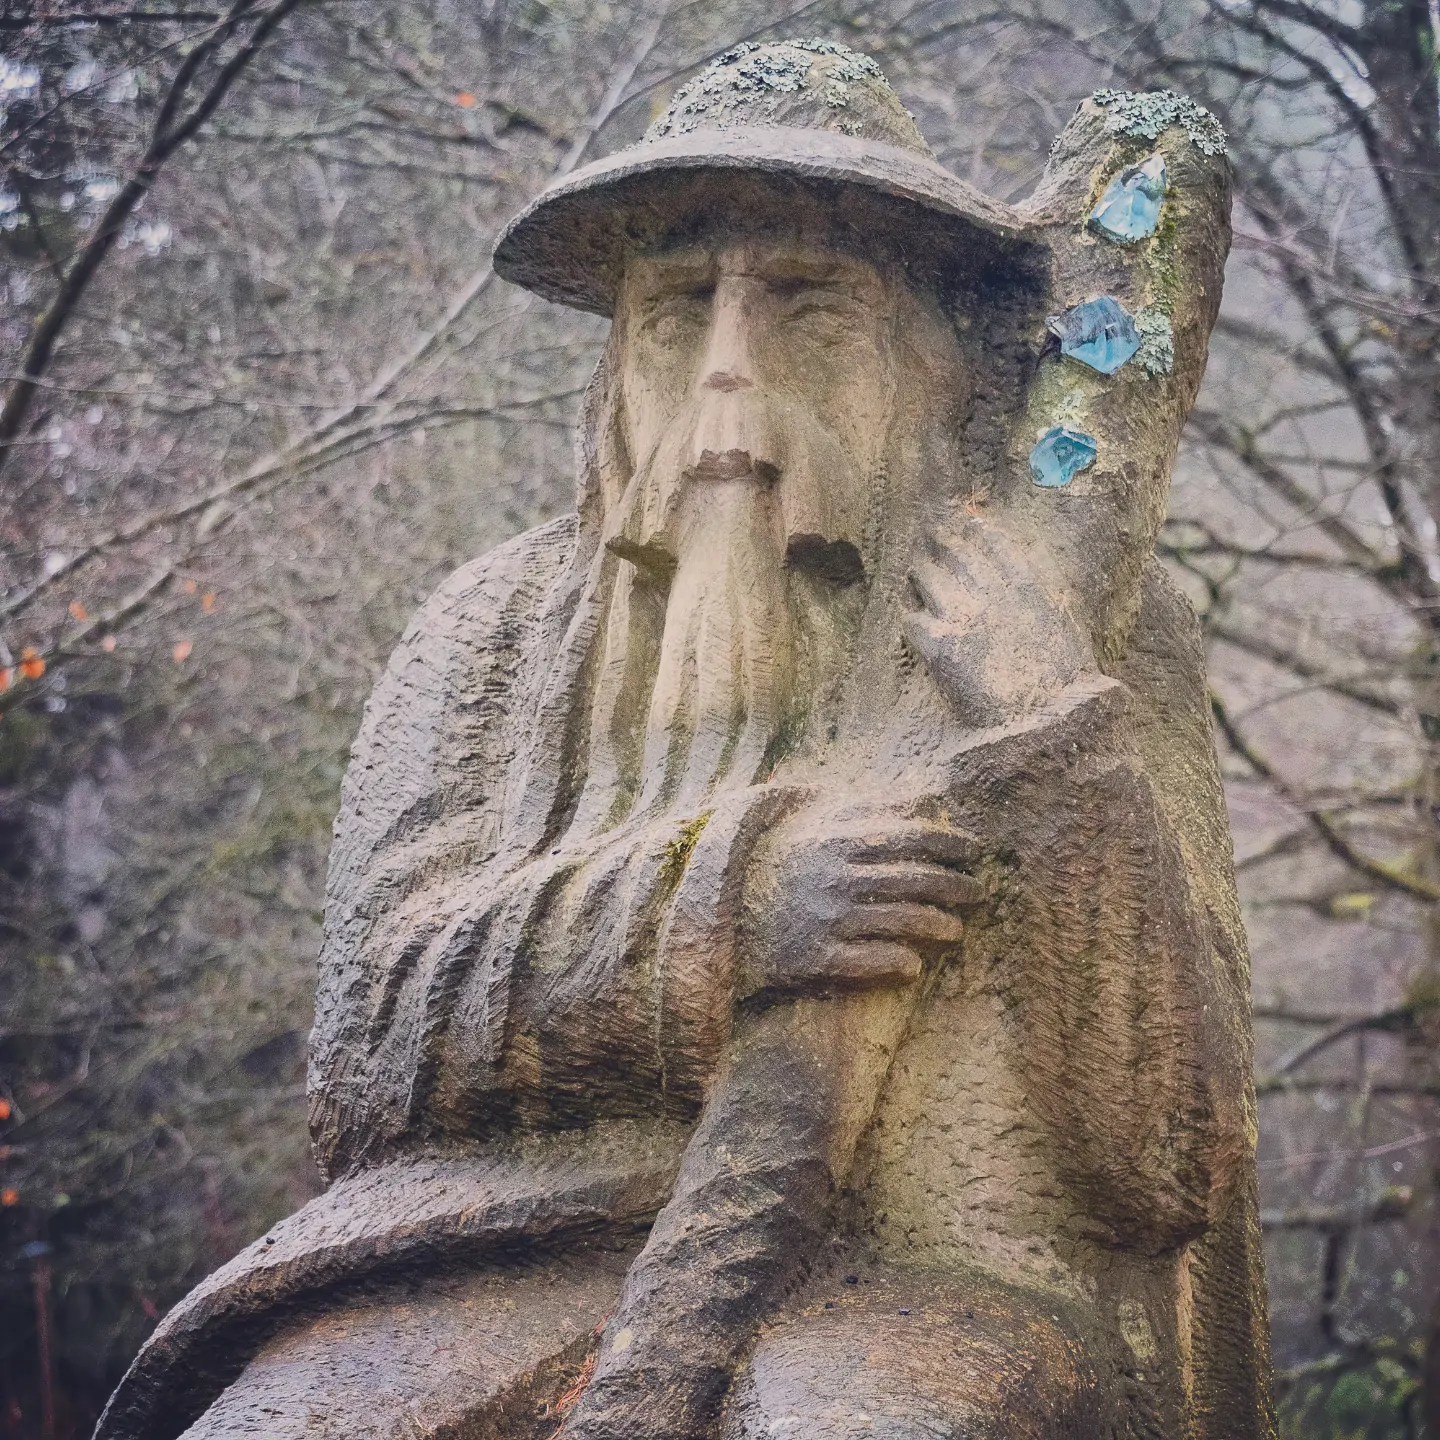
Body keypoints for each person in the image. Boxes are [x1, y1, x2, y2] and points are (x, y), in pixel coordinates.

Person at [97, 41, 1273, 1440]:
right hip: (470, 1259)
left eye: (806, 310)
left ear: (927, 356)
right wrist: (734, 900)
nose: (727, 378)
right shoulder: (491, 632)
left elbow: (1165, 1156)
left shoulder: (1080, 624)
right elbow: (373, 1047)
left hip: (936, 1292)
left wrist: (1052, 739)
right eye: (673, 314)